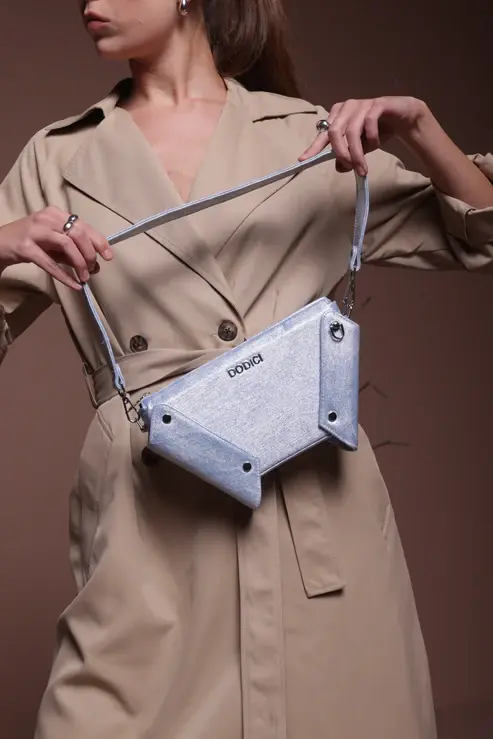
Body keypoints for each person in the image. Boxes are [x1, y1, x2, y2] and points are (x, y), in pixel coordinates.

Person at [0, 0, 492, 737]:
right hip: (149, 527)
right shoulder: (59, 157)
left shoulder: (305, 136)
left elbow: (480, 236)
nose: (89, 4)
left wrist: (419, 126)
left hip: (314, 522)